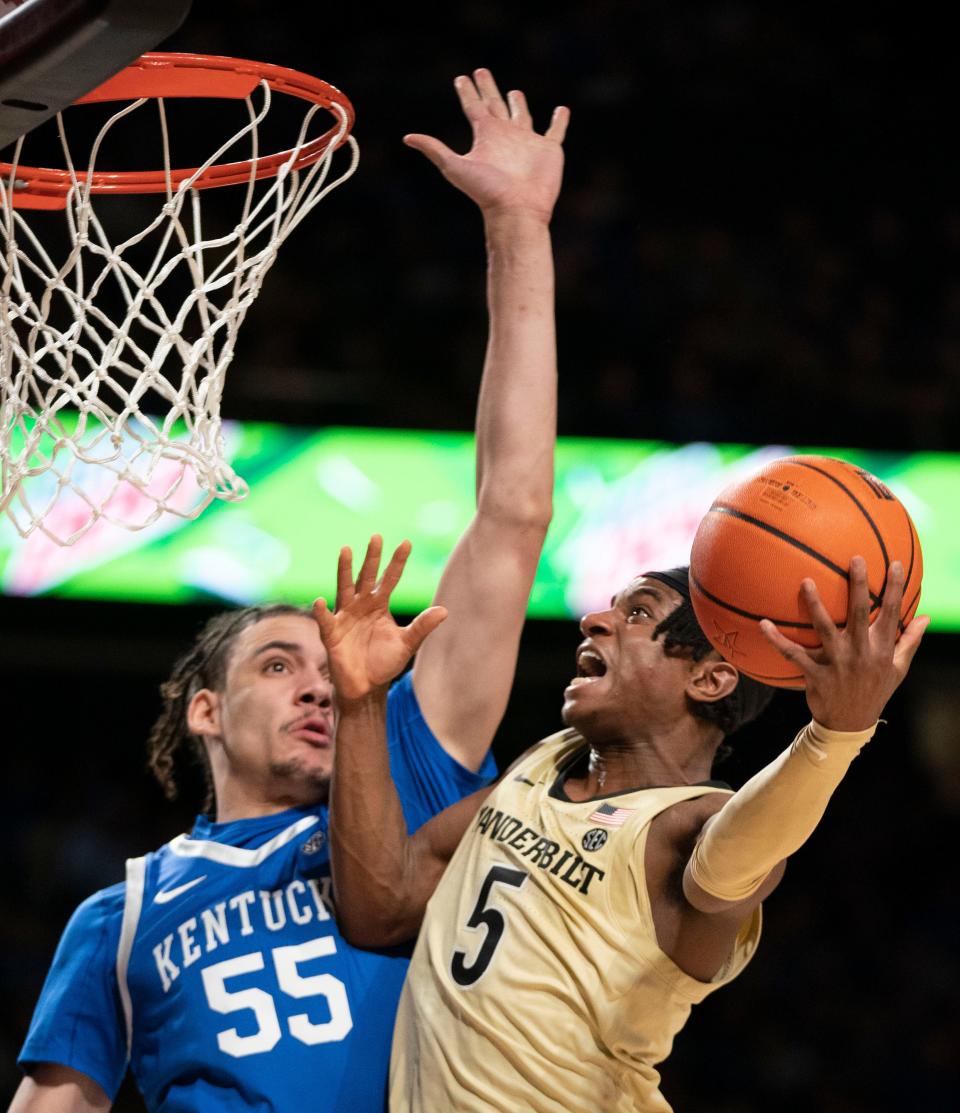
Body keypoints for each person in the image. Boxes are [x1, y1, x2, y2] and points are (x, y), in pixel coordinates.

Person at [10, 69, 570, 1113]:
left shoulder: (403, 762)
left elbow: (513, 511)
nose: (325, 687)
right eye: (282, 664)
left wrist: (517, 226)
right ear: (205, 711)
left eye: (332, 669)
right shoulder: (121, 916)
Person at [318, 541, 928, 1113]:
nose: (594, 621)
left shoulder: (689, 823)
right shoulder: (545, 761)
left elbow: (740, 851)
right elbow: (382, 906)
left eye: (637, 613)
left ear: (710, 677)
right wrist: (360, 700)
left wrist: (835, 737)